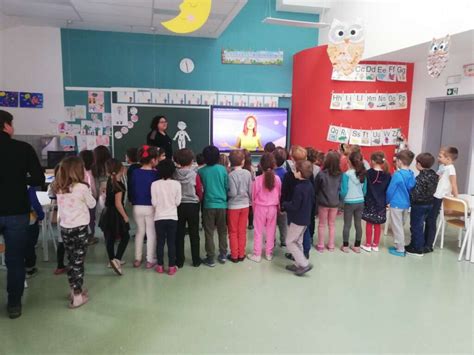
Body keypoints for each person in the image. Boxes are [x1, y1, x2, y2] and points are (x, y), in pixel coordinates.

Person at [0, 110, 44, 319]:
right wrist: (19, 180)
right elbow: (37, 178)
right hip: (16, 211)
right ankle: (14, 304)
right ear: (6, 126)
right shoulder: (23, 148)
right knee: (15, 259)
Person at [52, 157, 96, 309]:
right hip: (79, 229)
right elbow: (92, 203)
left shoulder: (59, 187)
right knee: (78, 262)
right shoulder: (81, 188)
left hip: (65, 228)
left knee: (71, 260)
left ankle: (74, 290)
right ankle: (77, 296)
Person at [424, 146, 459, 253]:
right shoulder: (442, 166)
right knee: (428, 219)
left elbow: (454, 184)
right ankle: (425, 241)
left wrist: (456, 199)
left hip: (439, 197)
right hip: (434, 195)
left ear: (448, 159)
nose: (438, 158)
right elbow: (437, 178)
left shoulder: (451, 169)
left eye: (440, 156)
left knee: (431, 220)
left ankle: (429, 245)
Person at [283, 160, 315, 276]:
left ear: (300, 173)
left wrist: (285, 204)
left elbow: (295, 206)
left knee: (290, 242)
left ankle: (304, 264)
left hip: (297, 220)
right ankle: (298, 264)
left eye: (295, 170)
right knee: (298, 241)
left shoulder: (299, 188)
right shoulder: (310, 185)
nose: (293, 172)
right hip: (305, 219)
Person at [198, 146, 228, 267]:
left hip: (208, 205)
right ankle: (223, 254)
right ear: (218, 157)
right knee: (222, 231)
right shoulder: (223, 169)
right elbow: (227, 186)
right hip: (222, 205)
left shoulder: (201, 171)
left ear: (204, 158)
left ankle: (210, 258)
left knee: (209, 232)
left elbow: (200, 189)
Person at [98, 159, 130, 275]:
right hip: (116, 214)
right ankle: (117, 259)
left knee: (109, 238)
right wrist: (125, 216)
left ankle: (111, 259)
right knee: (125, 236)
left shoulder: (109, 182)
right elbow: (118, 204)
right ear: (121, 169)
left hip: (106, 213)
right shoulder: (120, 185)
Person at [248, 153, 281, 262]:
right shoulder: (277, 179)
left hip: (260, 208)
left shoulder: (257, 180)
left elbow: (253, 196)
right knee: (271, 231)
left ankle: (257, 254)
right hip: (272, 208)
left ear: (260, 165)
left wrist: (253, 208)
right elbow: (279, 194)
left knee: (258, 231)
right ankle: (268, 253)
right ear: (274, 165)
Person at [281, 146, 313, 260]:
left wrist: (283, 205)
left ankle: (299, 256)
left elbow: (284, 192)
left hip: (293, 210)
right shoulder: (309, 174)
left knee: (293, 235)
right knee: (304, 231)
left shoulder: (289, 175)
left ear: (293, 160)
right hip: (305, 209)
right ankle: (303, 252)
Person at [173, 148, 203, 268]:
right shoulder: (194, 174)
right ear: (192, 161)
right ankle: (196, 260)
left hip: (179, 205)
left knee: (179, 233)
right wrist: (198, 199)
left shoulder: (174, 174)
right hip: (192, 206)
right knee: (194, 233)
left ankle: (179, 260)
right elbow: (199, 191)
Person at [130, 145, 159, 269]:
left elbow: (131, 189)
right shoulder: (155, 174)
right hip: (150, 206)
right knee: (151, 233)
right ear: (153, 160)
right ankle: (150, 259)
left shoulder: (135, 172)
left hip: (137, 206)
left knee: (139, 232)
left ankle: (137, 259)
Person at [151, 159, 182, 276]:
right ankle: (171, 267)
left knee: (160, 242)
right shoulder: (176, 184)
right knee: (171, 243)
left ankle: (159, 266)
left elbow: (154, 203)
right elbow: (178, 202)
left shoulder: (154, 184)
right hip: (172, 217)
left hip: (159, 217)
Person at [405, 153, 438, 256]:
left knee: (416, 226)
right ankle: (418, 244)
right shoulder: (434, 175)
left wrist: (409, 197)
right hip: (430, 203)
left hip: (419, 205)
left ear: (418, 164)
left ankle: (417, 248)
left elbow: (416, 193)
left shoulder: (420, 178)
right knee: (421, 225)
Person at [386, 150, 416, 257]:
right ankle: (399, 245)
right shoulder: (411, 174)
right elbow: (412, 187)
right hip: (406, 205)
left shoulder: (397, 175)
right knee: (400, 226)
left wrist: (387, 201)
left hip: (396, 204)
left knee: (397, 226)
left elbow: (390, 190)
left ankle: (400, 249)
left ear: (399, 161)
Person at [361, 152, 391, 252]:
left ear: (372, 161)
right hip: (381, 202)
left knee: (369, 223)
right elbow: (388, 190)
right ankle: (375, 245)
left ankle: (368, 244)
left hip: (369, 201)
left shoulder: (367, 173)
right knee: (378, 224)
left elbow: (365, 188)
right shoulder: (387, 175)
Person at [226, 150, 252, 263]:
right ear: (243, 161)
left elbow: (232, 193)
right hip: (245, 205)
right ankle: (242, 254)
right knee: (242, 231)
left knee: (232, 231)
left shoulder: (230, 175)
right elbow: (251, 190)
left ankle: (234, 255)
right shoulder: (248, 173)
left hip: (233, 206)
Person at [340, 151, 368, 253]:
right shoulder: (363, 174)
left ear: (349, 162)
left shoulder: (346, 175)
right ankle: (357, 246)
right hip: (360, 202)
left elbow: (343, 191)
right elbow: (365, 190)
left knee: (347, 224)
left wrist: (341, 201)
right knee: (358, 224)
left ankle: (345, 246)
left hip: (348, 202)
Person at [314, 151, 342, 252]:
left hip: (323, 203)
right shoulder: (340, 175)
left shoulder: (321, 174)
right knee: (332, 224)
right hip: (335, 203)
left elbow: (315, 188)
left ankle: (321, 245)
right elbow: (340, 189)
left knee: (322, 224)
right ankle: (331, 245)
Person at [47, 166, 67, 275]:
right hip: (72, 216)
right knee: (74, 242)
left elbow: (51, 197)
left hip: (60, 214)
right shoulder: (71, 184)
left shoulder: (53, 184)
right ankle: (75, 264)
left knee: (61, 241)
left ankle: (60, 265)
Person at [24, 186, 45, 279]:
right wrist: (41, 216)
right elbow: (35, 204)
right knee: (29, 244)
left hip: (8, 222)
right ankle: (29, 268)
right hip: (28, 221)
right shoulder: (28, 189)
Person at [79, 150, 98, 245]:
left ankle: (83, 236)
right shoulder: (90, 173)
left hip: (80, 200)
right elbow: (93, 188)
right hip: (89, 199)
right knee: (91, 219)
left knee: (83, 219)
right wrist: (95, 196)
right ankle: (90, 237)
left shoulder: (79, 172)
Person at [273, 147, 289, 247]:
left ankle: (272, 240)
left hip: (272, 203)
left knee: (271, 224)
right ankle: (283, 241)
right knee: (283, 224)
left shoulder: (270, 173)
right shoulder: (285, 173)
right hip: (282, 203)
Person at [92, 145, 112, 215]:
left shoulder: (94, 168)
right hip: (110, 194)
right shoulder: (111, 165)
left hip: (98, 195)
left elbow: (95, 185)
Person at [243, 149, 256, 230]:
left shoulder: (237, 169)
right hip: (250, 190)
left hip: (242, 192)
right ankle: (250, 224)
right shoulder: (252, 168)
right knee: (250, 208)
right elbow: (254, 179)